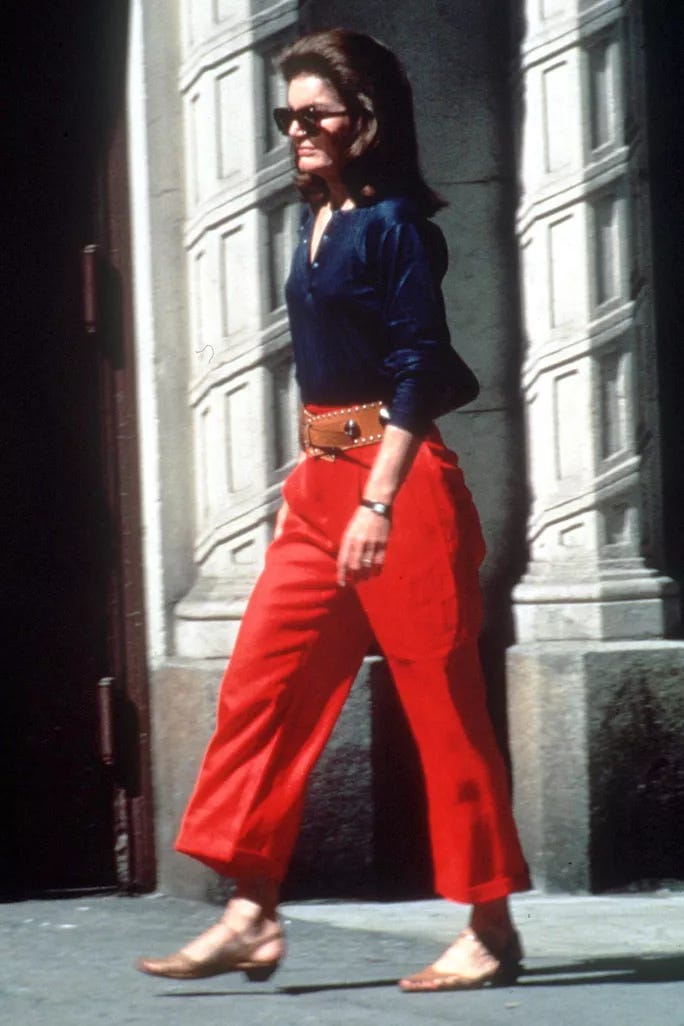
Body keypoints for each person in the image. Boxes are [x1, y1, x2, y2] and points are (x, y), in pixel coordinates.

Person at [137, 28, 530, 993]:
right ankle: (250, 911)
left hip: (398, 494)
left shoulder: (398, 225)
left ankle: (489, 926)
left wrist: (379, 499)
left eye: (316, 113)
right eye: (288, 115)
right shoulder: (312, 223)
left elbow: (422, 368)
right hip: (319, 492)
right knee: (260, 691)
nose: (298, 130)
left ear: (368, 119)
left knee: (445, 713)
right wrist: (316, 476)